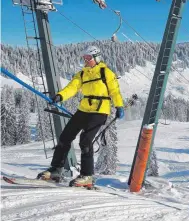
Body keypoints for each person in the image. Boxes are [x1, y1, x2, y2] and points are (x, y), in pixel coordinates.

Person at [37, 46, 124, 187]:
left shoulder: (105, 72)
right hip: (84, 109)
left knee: (85, 140)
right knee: (65, 137)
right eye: (84, 58)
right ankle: (56, 169)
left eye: (88, 58)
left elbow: (115, 91)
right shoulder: (82, 74)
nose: (86, 60)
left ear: (96, 57)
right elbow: (72, 87)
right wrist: (60, 96)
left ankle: (87, 176)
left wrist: (119, 106)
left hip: (100, 110)